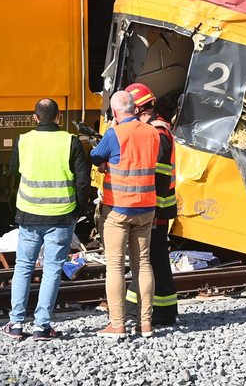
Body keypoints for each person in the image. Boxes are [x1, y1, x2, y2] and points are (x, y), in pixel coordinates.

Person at [3, 98, 90, 341]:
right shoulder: (70, 141)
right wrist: (79, 210)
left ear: (35, 117)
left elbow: (13, 170)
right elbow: (83, 181)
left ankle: (16, 323)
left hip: (29, 213)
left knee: (23, 266)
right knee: (52, 268)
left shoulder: (23, 140)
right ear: (58, 117)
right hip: (61, 215)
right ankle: (42, 326)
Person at [91, 90, 159, 338]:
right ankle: (145, 323)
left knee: (116, 267)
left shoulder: (115, 133)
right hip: (146, 207)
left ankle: (118, 324)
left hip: (118, 209)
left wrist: (106, 159)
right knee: (143, 264)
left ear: (114, 112)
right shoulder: (152, 132)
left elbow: (95, 156)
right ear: (135, 108)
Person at [123, 83, 179, 326]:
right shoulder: (154, 129)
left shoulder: (158, 132)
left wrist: (152, 209)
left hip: (156, 208)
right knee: (150, 258)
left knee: (151, 258)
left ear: (137, 109)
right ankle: (146, 310)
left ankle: (156, 312)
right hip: (154, 207)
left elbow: (161, 174)